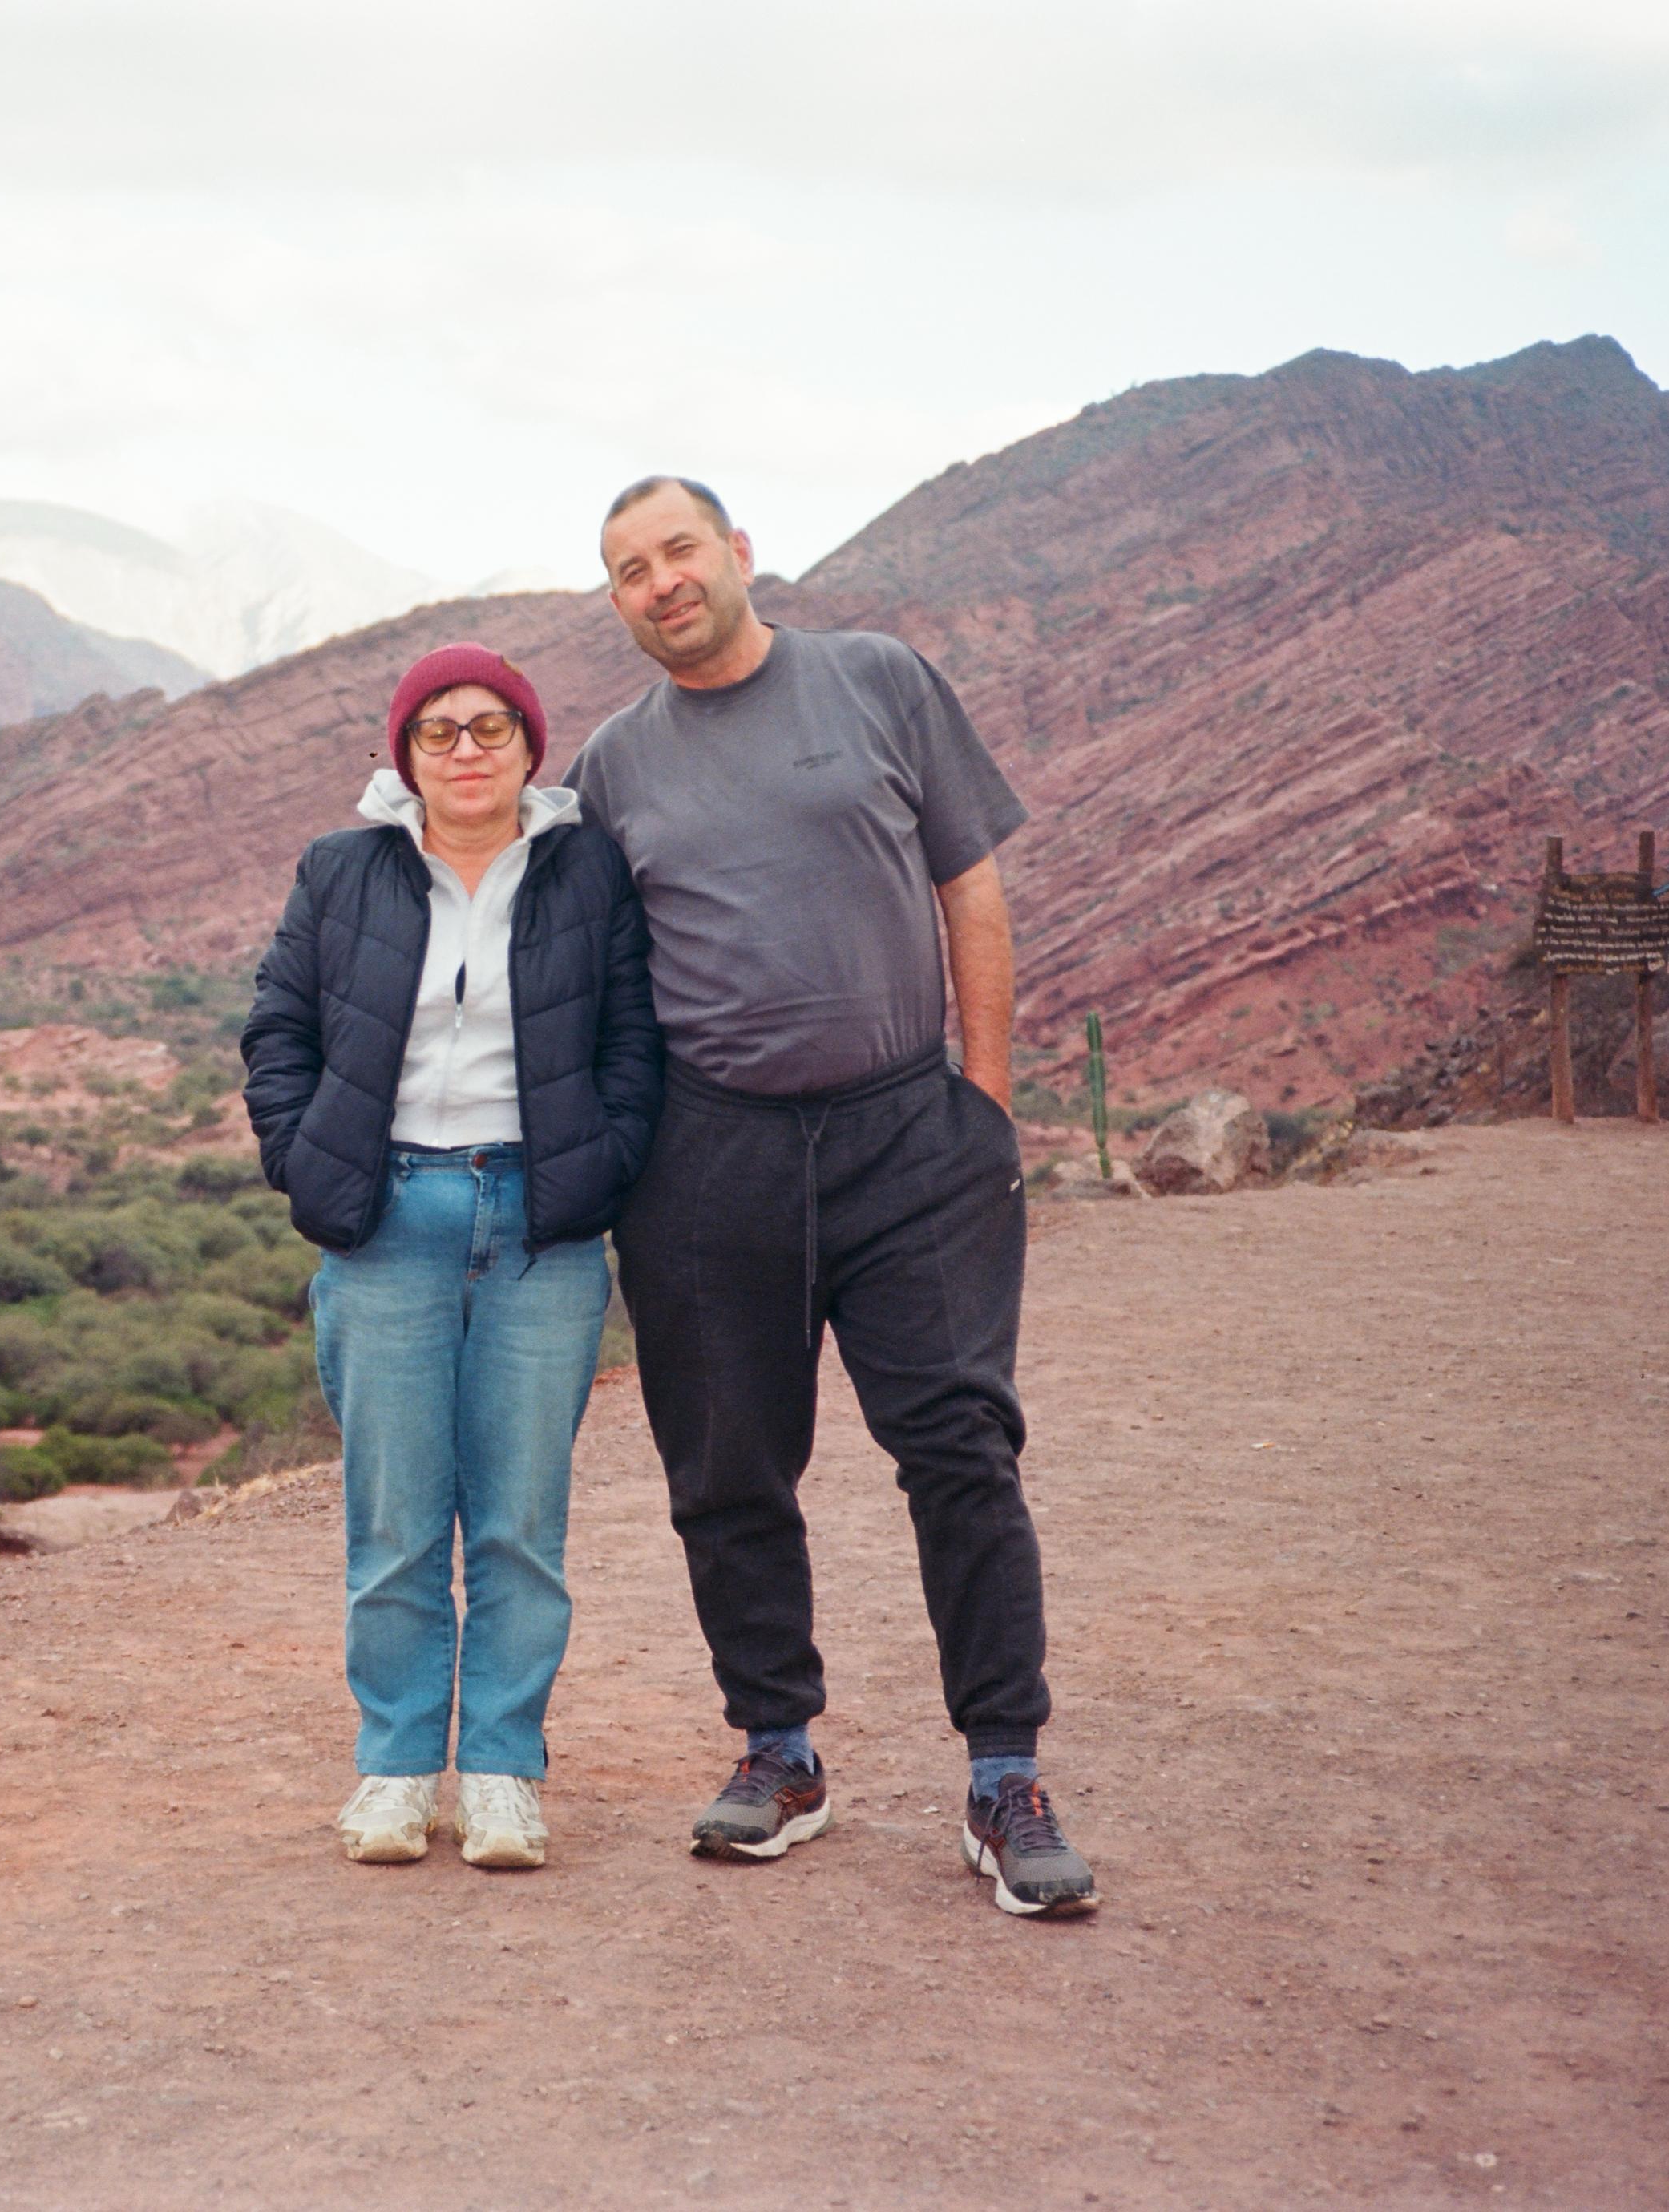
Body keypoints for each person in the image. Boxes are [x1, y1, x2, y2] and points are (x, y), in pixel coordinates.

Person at [566, 476, 1097, 1915]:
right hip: (709, 1157)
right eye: (628, 571)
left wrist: (981, 1101)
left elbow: (969, 889)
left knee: (962, 1450)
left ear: (738, 554)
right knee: (728, 1466)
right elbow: (599, 978)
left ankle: (1005, 1776)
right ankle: (778, 1751)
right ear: (615, 605)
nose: (660, 582)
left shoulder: (876, 681)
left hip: (905, 1137)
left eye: (679, 550)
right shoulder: (616, 767)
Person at [240, 642, 664, 1870]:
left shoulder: (588, 870)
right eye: (440, 731)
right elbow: (278, 1027)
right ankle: (392, 1772)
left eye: (492, 728)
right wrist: (306, 1158)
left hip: (542, 1224)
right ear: (405, 753)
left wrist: (602, 1166)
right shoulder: (343, 871)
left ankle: (501, 1776)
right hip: (387, 1219)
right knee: (397, 1523)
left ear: (533, 746)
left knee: (523, 1522)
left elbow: (635, 1037)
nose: (467, 749)